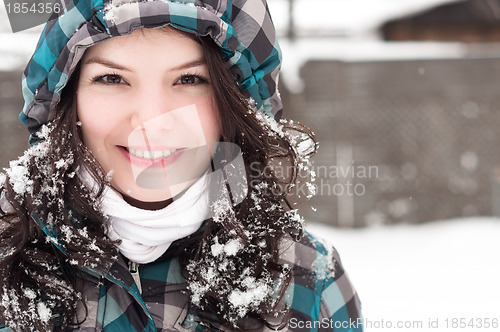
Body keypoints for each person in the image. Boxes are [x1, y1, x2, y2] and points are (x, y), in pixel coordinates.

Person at [0, 0, 363, 330]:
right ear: (65, 101)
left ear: (237, 105)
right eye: (112, 78)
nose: (153, 119)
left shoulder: (308, 281)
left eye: (190, 79)